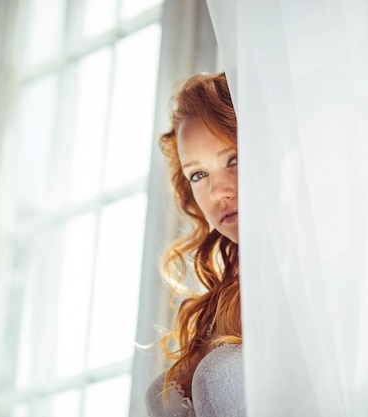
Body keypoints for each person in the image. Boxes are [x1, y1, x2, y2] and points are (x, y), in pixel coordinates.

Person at [145, 72, 245, 417]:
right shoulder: (216, 307)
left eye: (233, 159)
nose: (218, 193)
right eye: (198, 175)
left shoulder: (316, 278)